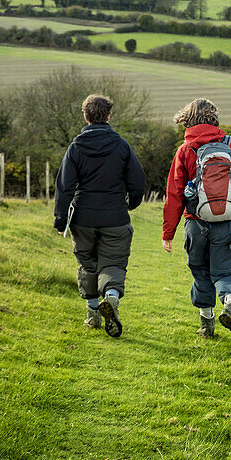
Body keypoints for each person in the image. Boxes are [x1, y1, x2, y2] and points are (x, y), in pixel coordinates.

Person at [162, 98, 231, 346]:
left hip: (195, 222)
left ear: (188, 119)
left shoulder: (185, 150)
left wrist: (168, 232)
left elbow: (174, 193)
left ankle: (206, 323)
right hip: (227, 221)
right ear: (214, 117)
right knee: (228, 270)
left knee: (200, 270)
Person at [54, 93, 146, 339]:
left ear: (85, 116)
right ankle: (112, 298)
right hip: (115, 216)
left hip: (82, 217)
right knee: (113, 263)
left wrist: (61, 219)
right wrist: (130, 204)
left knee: (88, 263)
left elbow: (64, 186)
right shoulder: (121, 145)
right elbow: (138, 181)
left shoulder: (75, 147)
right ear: (108, 116)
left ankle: (93, 314)